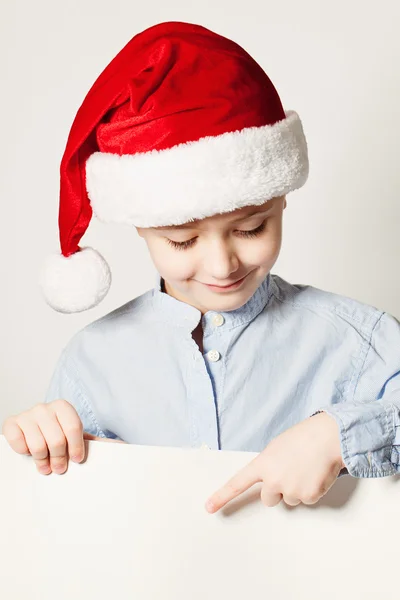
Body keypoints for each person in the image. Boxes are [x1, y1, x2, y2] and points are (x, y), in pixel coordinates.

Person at [3, 21, 400, 513]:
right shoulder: (91, 363)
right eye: (183, 240)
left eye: (251, 228)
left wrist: (339, 434)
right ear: (140, 228)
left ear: (280, 201)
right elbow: (62, 524)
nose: (221, 264)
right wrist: (44, 447)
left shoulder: (359, 341)